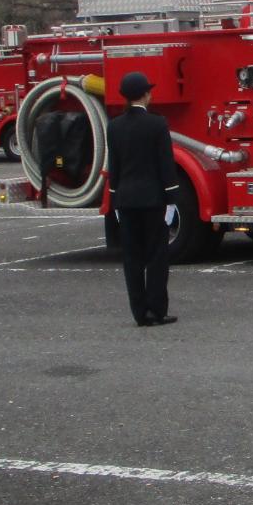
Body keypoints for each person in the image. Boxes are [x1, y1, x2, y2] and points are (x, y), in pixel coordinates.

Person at [105, 71, 181, 327]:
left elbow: (113, 168)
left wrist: (114, 200)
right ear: (146, 94)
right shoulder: (157, 124)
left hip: (125, 200)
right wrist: (171, 199)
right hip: (153, 199)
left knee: (132, 258)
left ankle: (139, 312)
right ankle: (156, 310)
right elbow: (165, 165)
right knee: (157, 256)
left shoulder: (114, 126)